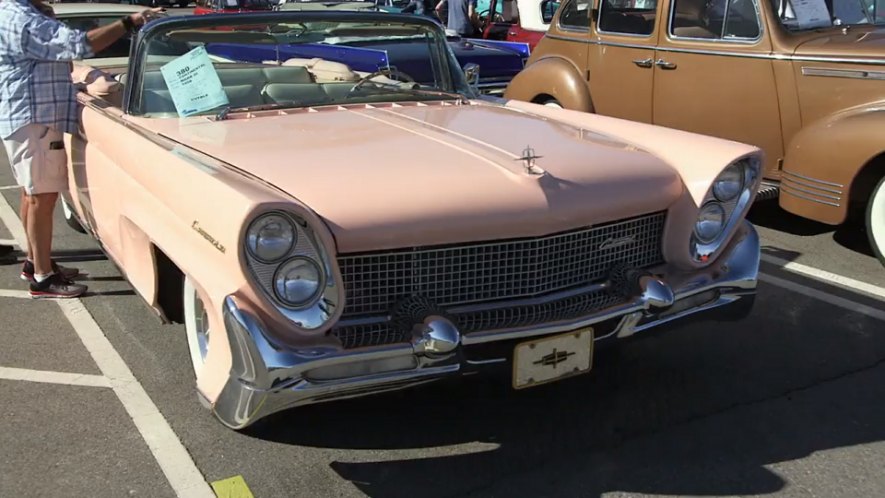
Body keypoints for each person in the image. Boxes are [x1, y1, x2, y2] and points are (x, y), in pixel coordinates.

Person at [0, 0, 162, 298]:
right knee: (41, 197)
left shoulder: (15, 12)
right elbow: (78, 45)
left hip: (26, 115)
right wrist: (130, 22)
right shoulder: (21, 17)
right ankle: (43, 278)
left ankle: (37, 262)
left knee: (32, 192)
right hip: (34, 117)